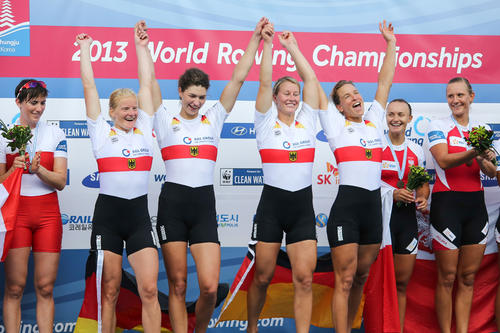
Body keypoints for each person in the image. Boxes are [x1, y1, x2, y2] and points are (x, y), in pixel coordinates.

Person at [142, 18, 267, 333]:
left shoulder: (214, 117)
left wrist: (255, 38)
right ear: (181, 92)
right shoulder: (163, 117)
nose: (196, 102)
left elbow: (238, 78)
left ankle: (200, 329)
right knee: (179, 285)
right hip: (173, 204)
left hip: (202, 206)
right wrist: (142, 47)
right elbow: (149, 82)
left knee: (210, 287)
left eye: (201, 97)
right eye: (191, 96)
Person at [75, 22, 161, 333]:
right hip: (108, 218)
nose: (132, 112)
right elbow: (89, 87)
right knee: (108, 293)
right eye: (125, 108)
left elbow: (147, 84)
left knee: (149, 290)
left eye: (134, 108)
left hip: (138, 217)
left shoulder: (145, 130)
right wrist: (85, 50)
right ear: (112, 111)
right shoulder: (99, 131)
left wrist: (142, 47)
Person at [318, 21, 396, 333]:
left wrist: (390, 43)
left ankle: (349, 326)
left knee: (361, 277)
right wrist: (294, 50)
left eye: (356, 92)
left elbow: (385, 83)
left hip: (371, 210)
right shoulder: (335, 126)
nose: (355, 97)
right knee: (345, 278)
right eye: (347, 95)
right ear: (338, 106)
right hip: (347, 209)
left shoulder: (375, 120)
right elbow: (311, 81)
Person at [245, 24, 323, 333]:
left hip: (302, 208)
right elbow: (264, 82)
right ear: (275, 98)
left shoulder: (307, 118)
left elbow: (312, 80)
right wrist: (268, 45)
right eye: (285, 93)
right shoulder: (264, 122)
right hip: (272, 208)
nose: (292, 97)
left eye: (295, 94)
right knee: (263, 277)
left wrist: (293, 48)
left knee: (304, 278)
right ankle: (251, 328)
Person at [427, 77, 497, 333]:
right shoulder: (438, 125)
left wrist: (486, 157)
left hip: (475, 207)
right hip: (447, 205)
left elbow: (490, 171)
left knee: (468, 278)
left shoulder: (483, 129)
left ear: (471, 97)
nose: (455, 101)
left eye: (459, 95)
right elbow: (443, 161)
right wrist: (474, 150)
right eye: (450, 96)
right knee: (446, 278)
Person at [1, 79, 67, 333]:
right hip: (15, 213)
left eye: (42, 103)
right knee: (15, 287)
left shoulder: (55, 133)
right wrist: (14, 170)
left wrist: (39, 170)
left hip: (47, 215)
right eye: (33, 102)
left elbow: (60, 181)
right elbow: (0, 182)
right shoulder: (3, 135)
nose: (39, 108)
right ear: (18, 102)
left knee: (45, 287)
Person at [376, 98, 430, 331]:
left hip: (406, 221)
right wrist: (391, 193)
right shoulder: (376, 145)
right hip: (380, 221)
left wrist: (423, 197)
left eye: (400, 115)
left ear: (409, 119)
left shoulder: (416, 150)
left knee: (400, 284)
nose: (395, 119)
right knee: (376, 283)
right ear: (385, 118)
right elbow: (365, 181)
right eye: (391, 114)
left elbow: (423, 184)